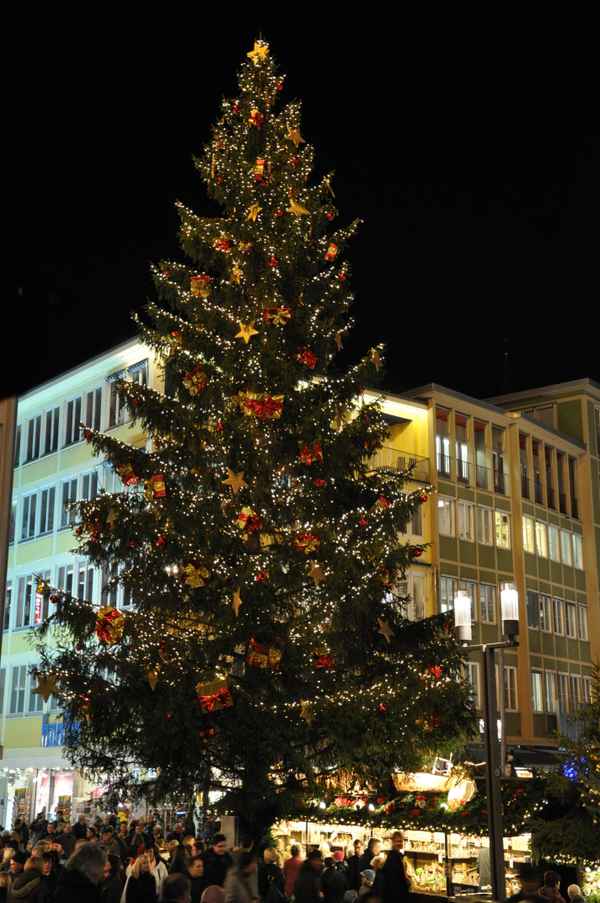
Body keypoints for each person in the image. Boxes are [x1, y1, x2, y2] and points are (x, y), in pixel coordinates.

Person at [380, 833, 409, 903]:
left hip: (393, 893)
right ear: (393, 842)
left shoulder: (398, 856)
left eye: (401, 841)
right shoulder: (393, 857)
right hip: (394, 894)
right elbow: (398, 876)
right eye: (398, 841)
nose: (400, 843)